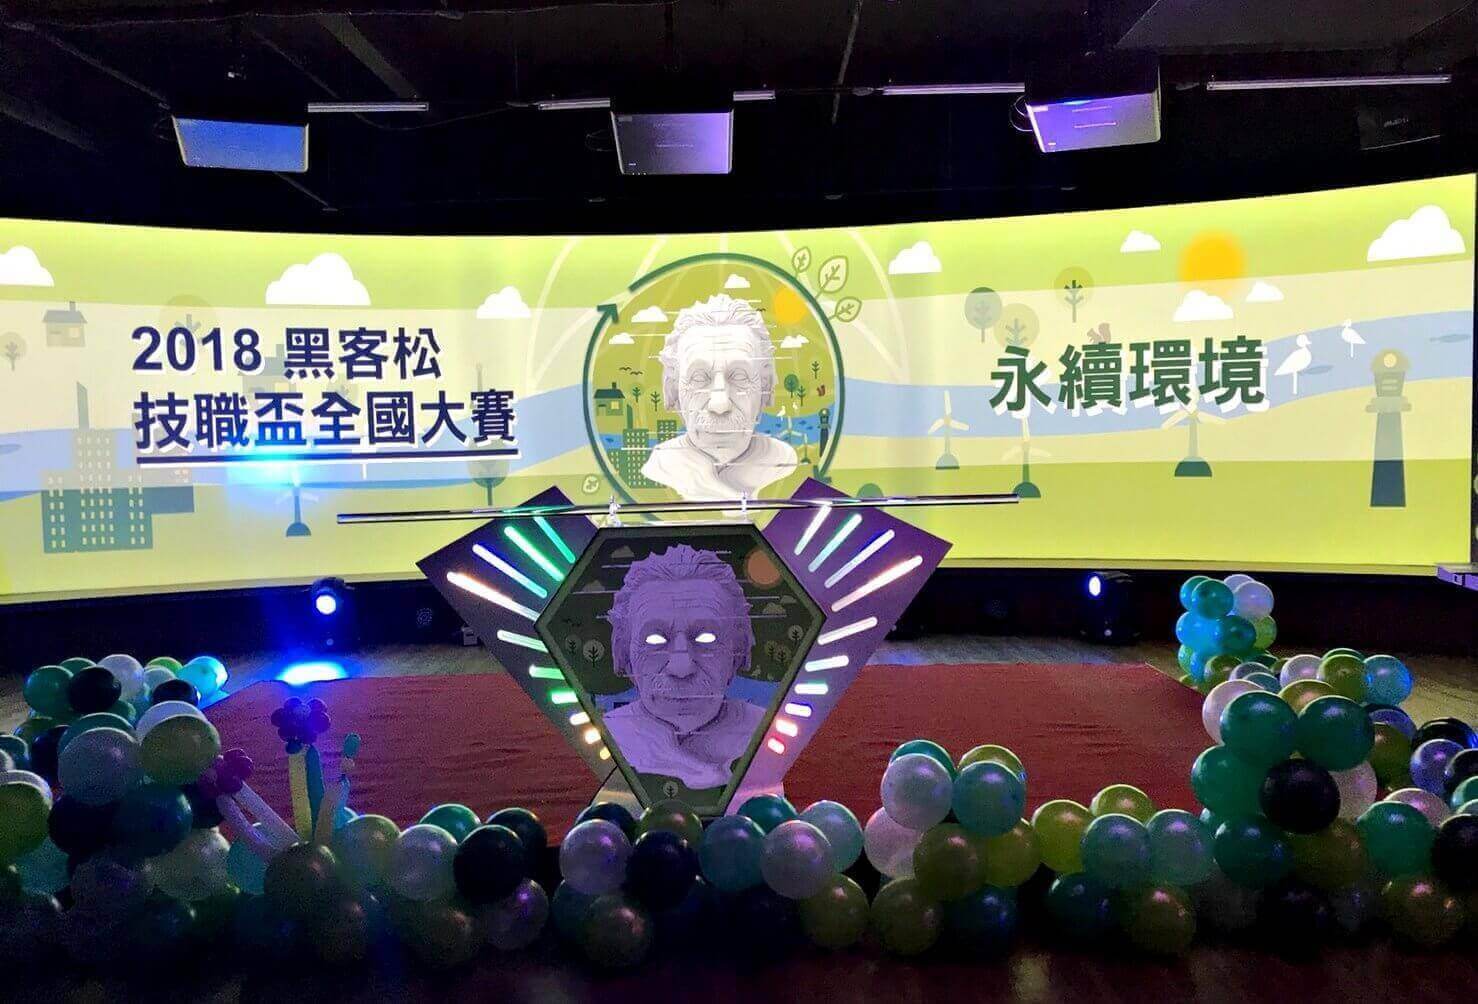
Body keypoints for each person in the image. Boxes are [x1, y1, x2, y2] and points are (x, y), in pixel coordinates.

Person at [603, 544, 765, 789]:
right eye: (655, 639)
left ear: (738, 651)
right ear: (624, 653)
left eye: (706, 638)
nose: (681, 668)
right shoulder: (607, 735)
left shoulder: (765, 731)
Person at [642, 294, 798, 501]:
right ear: (672, 389)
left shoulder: (783, 461)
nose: (720, 404)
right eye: (699, 378)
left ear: (766, 385)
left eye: (739, 376)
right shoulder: (659, 466)